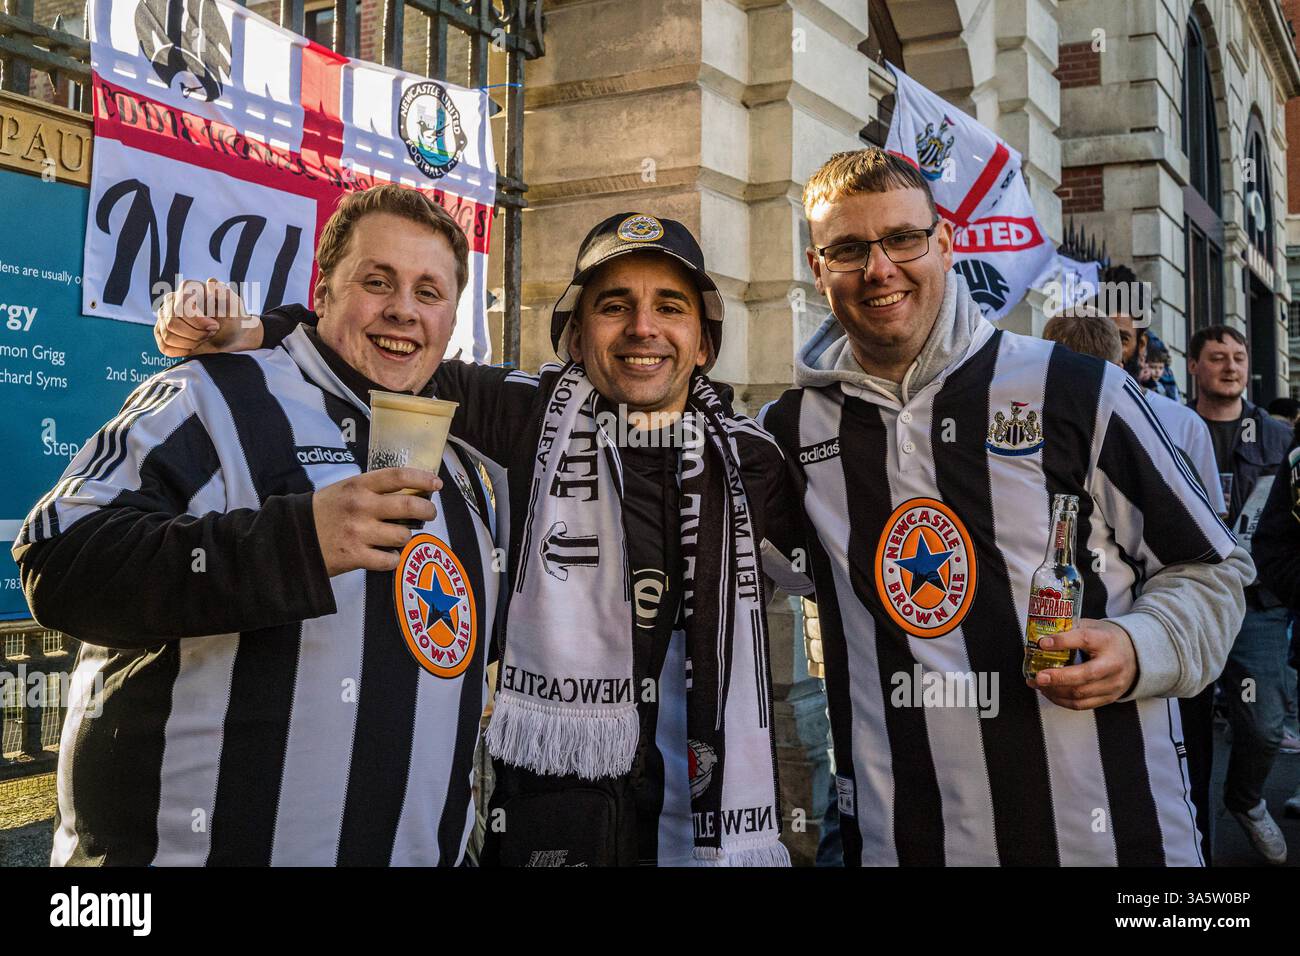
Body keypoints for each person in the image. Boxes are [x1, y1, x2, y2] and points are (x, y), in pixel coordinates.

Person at [153, 213, 794, 867]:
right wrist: (257, 328)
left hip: (709, 821)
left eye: (670, 306)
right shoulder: (525, 413)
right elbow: (386, 349)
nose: (643, 328)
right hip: (557, 821)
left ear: (705, 342)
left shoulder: (759, 463)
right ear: (576, 334)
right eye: (614, 305)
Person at [759, 147, 1253, 866]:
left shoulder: (1077, 390)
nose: (879, 269)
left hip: (1111, 841)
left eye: (903, 238)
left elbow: (1212, 568)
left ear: (946, 243)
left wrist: (1143, 646)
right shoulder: (789, 433)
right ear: (817, 266)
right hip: (903, 841)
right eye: (848, 249)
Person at [13, 185, 502, 865]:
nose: (403, 310)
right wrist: (293, 542)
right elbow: (59, 555)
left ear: (452, 318)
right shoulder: (214, 392)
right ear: (323, 289)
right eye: (377, 281)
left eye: (429, 292)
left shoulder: (463, 463)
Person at [1041, 307, 1224, 863]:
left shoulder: (1175, 421)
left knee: (1168, 764)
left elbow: (1205, 542)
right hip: (1095, 639)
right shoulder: (1026, 424)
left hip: (1151, 637)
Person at [1189, 325, 1293, 863]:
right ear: (1194, 367)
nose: (1230, 367)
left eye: (1238, 357)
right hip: (1189, 598)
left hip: (1257, 603)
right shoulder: (1169, 425)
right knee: (1185, 737)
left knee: (1266, 724)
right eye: (1217, 357)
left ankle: (1247, 801)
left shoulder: (1277, 437)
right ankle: (1192, 840)